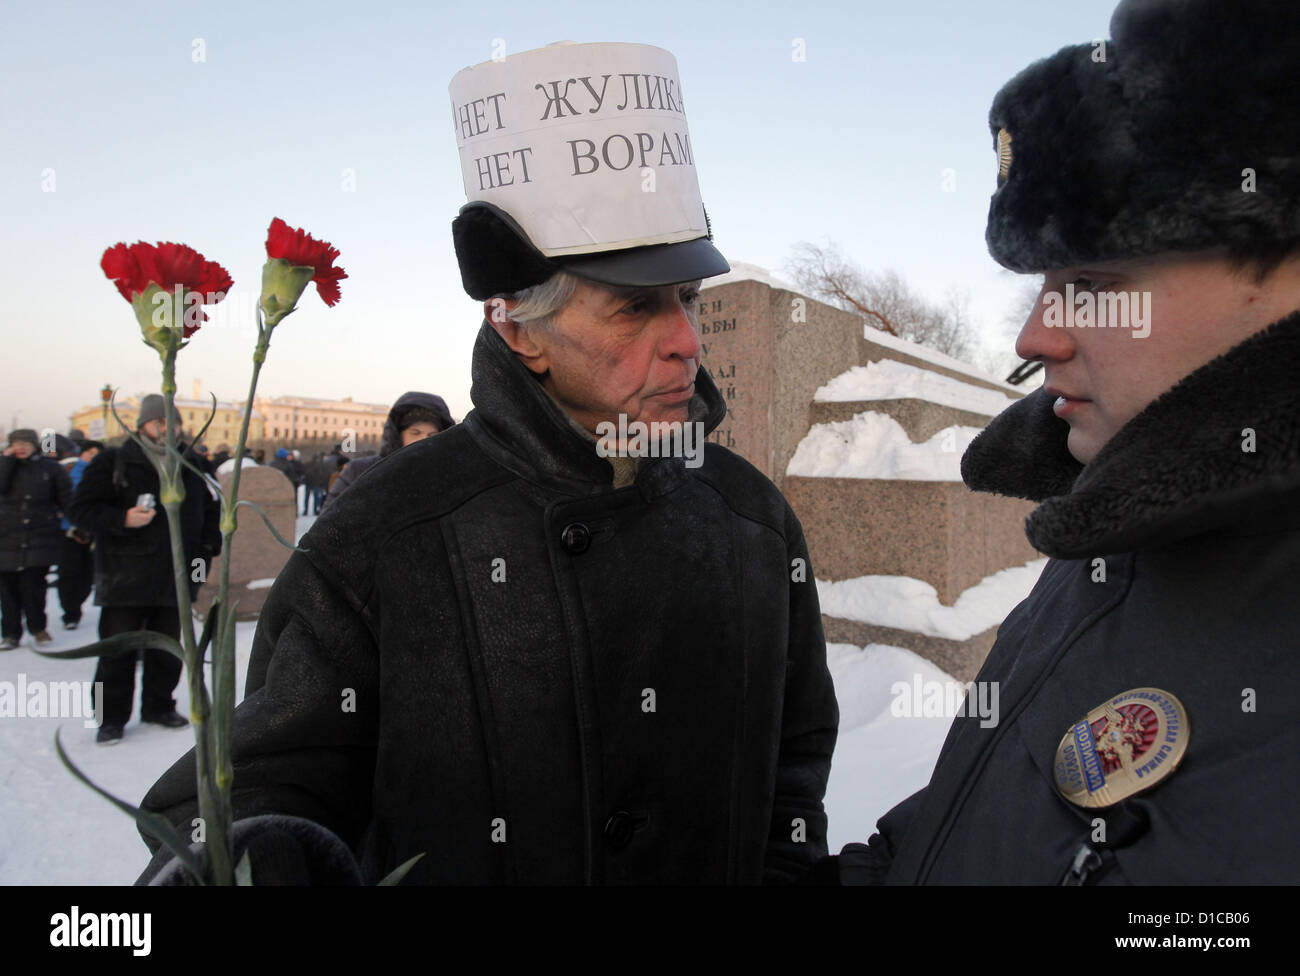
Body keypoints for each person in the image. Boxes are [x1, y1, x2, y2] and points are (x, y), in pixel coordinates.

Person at [138, 40, 838, 885]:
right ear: (519, 331)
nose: (687, 342)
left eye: (689, 298)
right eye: (636, 308)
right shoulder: (380, 533)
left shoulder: (752, 520)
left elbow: (794, 761)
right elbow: (254, 793)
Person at [817, 0, 1300, 885]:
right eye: (1045, 284)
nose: (1033, 336)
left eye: (1092, 282)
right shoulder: (1113, 529)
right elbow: (969, 824)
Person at [68, 395, 222, 745]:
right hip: (125, 576)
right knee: (117, 650)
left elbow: (214, 508)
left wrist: (208, 548)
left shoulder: (193, 462)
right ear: (142, 425)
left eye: (174, 422)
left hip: (176, 576)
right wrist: (122, 518)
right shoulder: (114, 461)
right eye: (160, 422)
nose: (168, 429)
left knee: (167, 649)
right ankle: (109, 718)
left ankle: (158, 705)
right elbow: (81, 510)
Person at [0, 429, 72, 650]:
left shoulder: (50, 468)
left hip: (39, 537)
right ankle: (10, 634)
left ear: (35, 445)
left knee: (34, 588)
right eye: (16, 443)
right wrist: (6, 462)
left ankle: (38, 628)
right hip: (5, 539)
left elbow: (67, 499)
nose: (21, 447)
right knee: (7, 592)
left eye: (25, 443)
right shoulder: (3, 467)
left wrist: (76, 523)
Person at [319, 393, 454, 510]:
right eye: (415, 433)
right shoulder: (360, 471)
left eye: (432, 435)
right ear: (398, 435)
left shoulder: (450, 478)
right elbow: (326, 531)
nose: (424, 441)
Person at [57, 439, 102, 630]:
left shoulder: (105, 473)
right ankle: (70, 612)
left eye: (97, 454)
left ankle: (77, 602)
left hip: (94, 532)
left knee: (88, 575)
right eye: (90, 453)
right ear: (82, 453)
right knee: (69, 573)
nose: (93, 457)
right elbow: (61, 499)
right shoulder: (68, 471)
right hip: (69, 531)